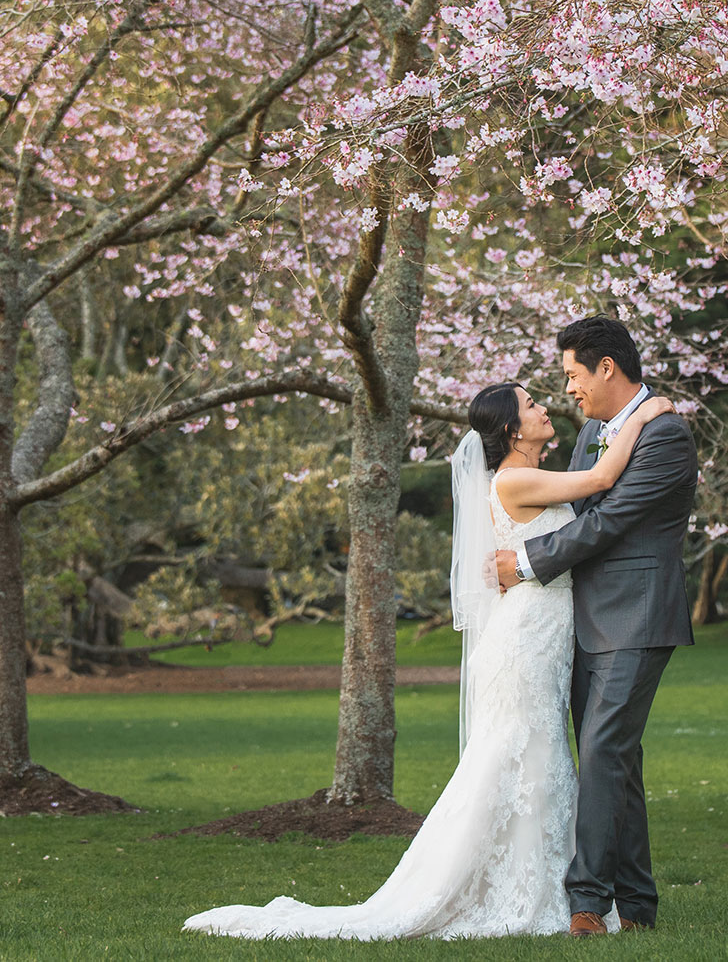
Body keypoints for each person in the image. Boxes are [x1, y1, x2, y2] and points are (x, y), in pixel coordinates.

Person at [182, 361, 674, 940]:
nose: (546, 407)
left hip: (545, 637)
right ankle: (516, 890)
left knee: (542, 759)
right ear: (514, 433)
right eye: (531, 405)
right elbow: (599, 481)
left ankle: (550, 886)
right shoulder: (514, 482)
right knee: (522, 754)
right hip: (525, 643)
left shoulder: (530, 477)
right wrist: (646, 411)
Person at [496, 315, 697, 936]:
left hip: (637, 616)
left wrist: (526, 562)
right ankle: (636, 907)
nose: (570, 389)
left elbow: (610, 522)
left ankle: (586, 903)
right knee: (617, 759)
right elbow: (587, 501)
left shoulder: (665, 435)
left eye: (573, 375)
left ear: (606, 367)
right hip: (583, 622)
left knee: (604, 751)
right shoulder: (591, 436)